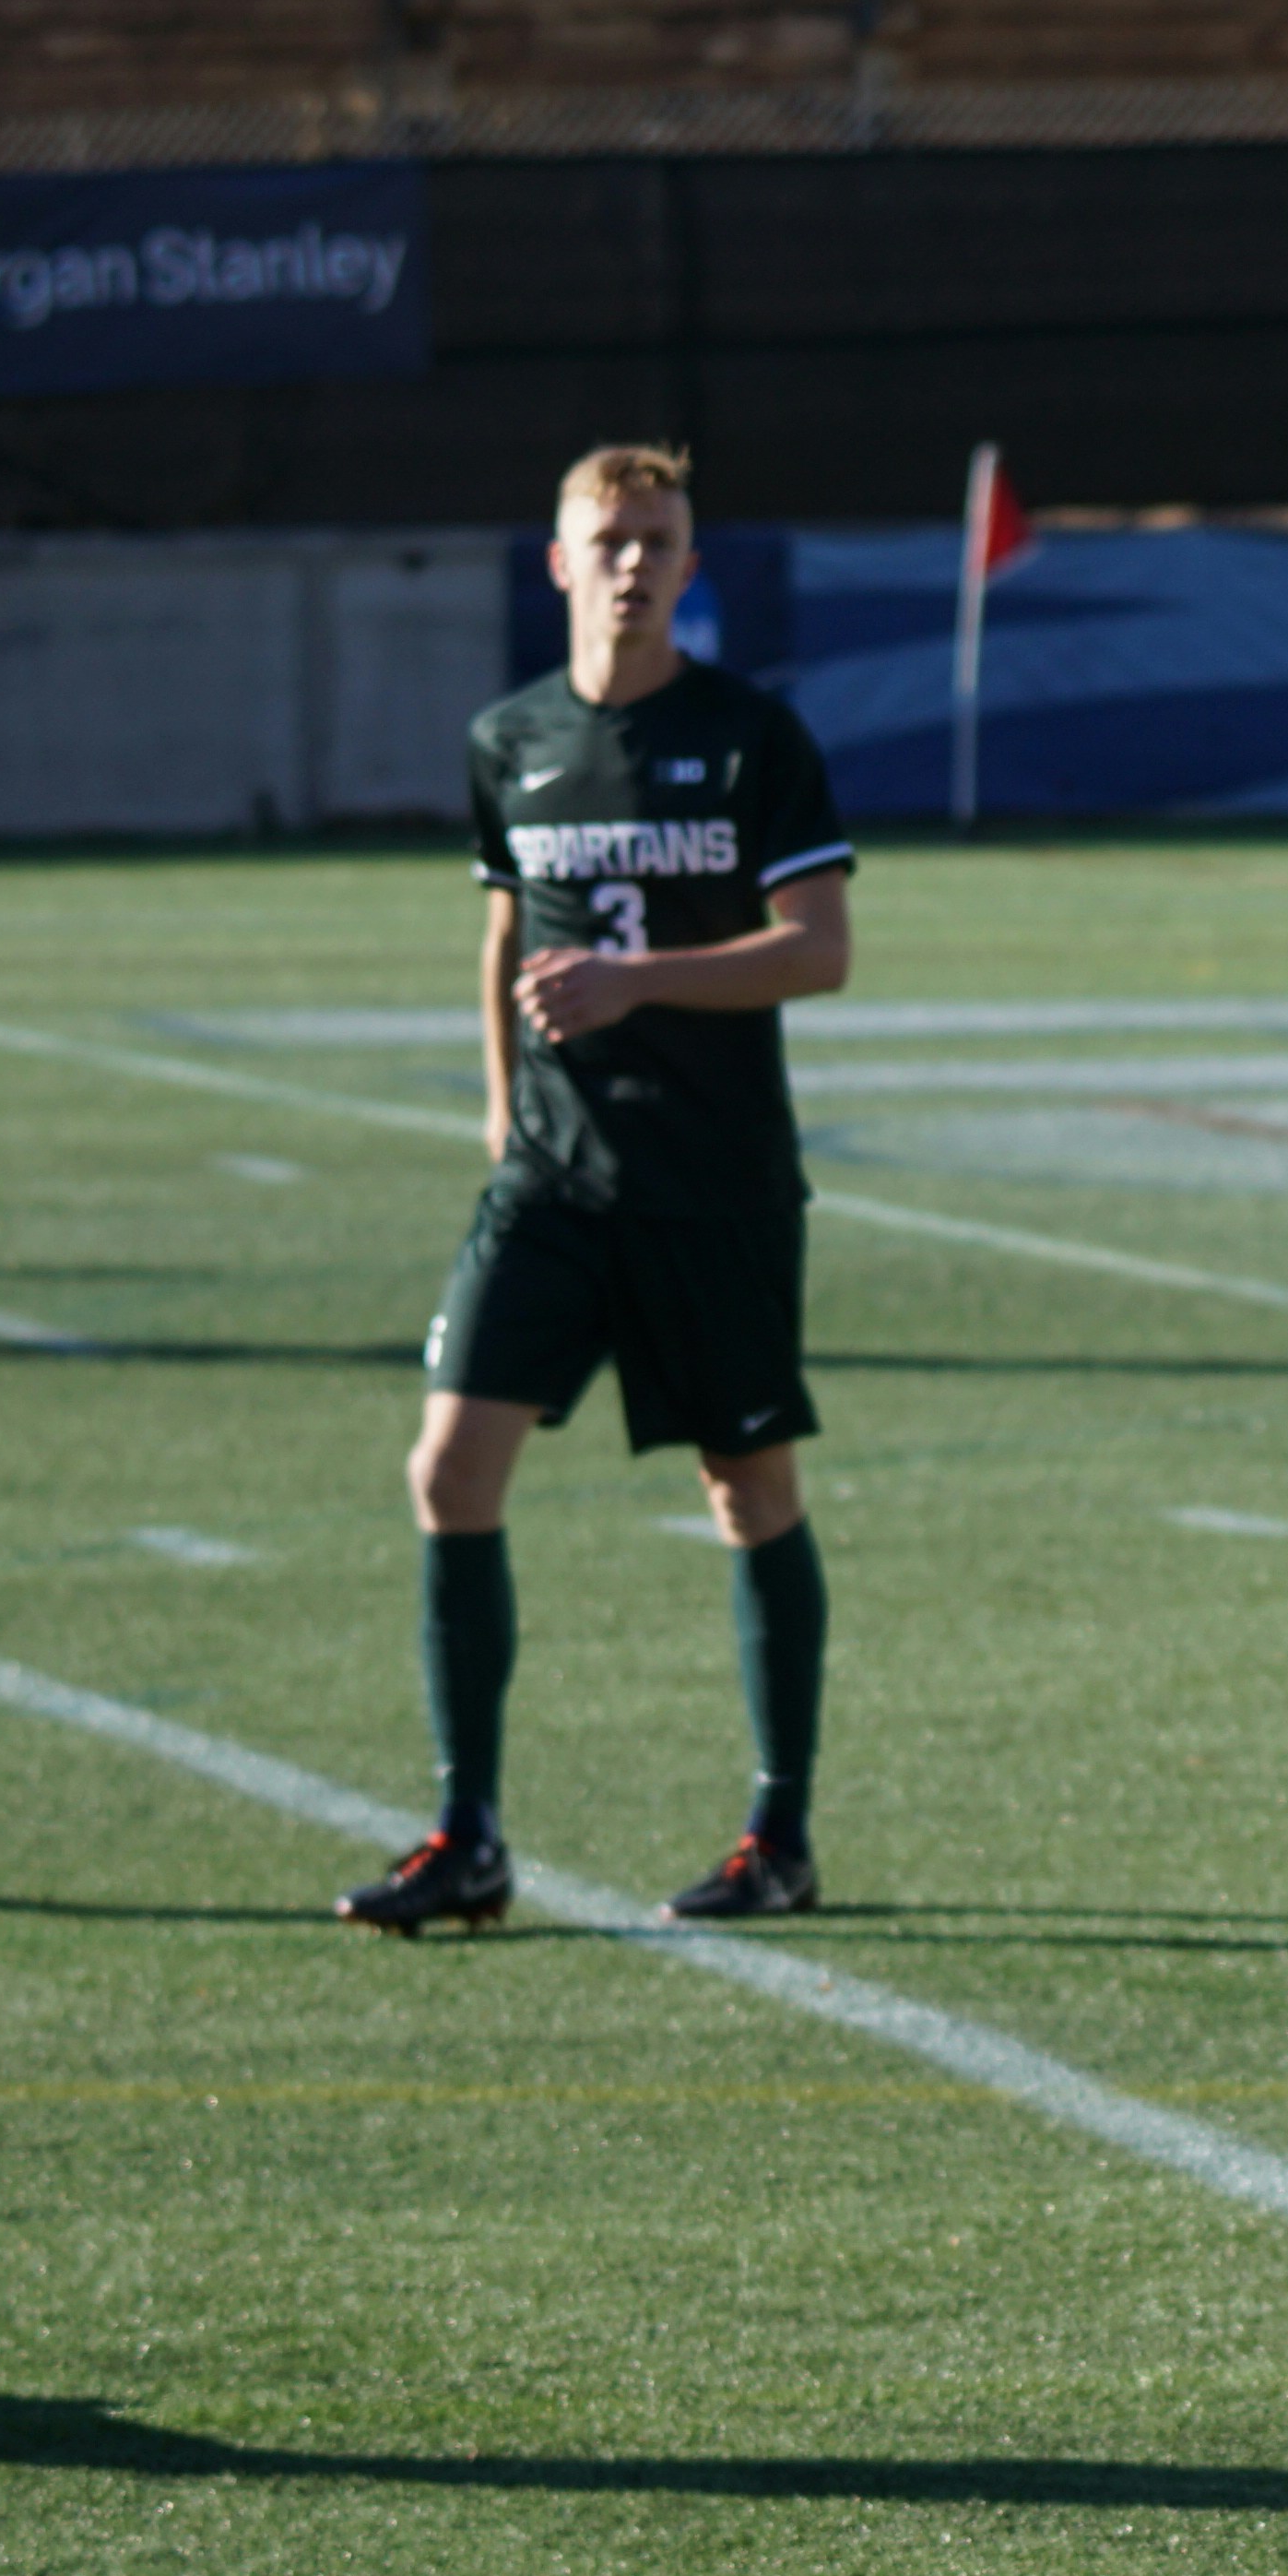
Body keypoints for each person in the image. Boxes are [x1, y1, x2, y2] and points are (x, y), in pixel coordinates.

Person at [337, 442, 858, 1936]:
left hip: (715, 1186)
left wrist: (642, 982)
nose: (634, 560)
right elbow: (507, 938)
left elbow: (818, 949)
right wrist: (508, 1115)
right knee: (449, 1473)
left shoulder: (755, 738)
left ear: (694, 567)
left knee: (747, 1488)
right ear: (558, 563)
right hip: (555, 1183)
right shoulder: (507, 738)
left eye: (660, 538)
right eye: (609, 538)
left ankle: (781, 1835)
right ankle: (470, 1834)